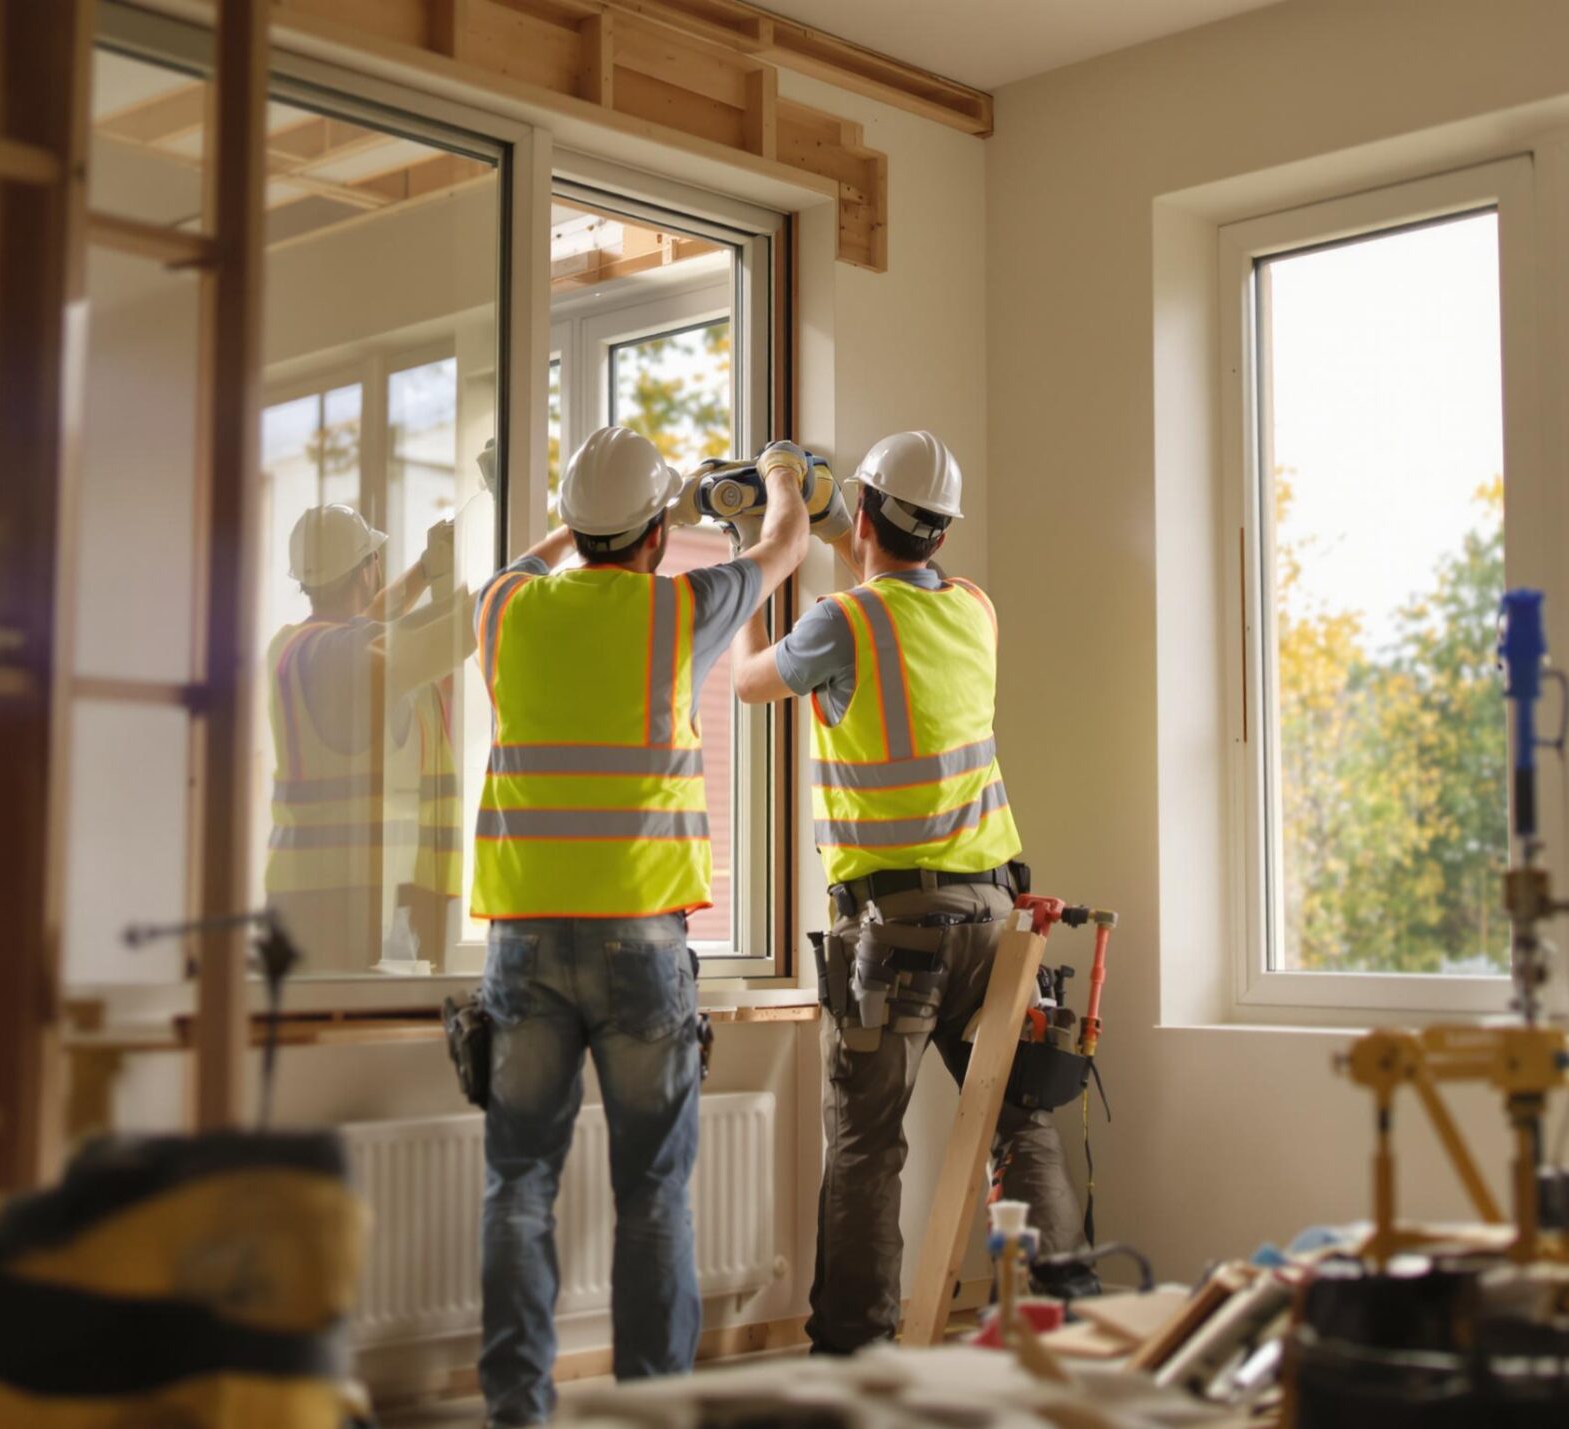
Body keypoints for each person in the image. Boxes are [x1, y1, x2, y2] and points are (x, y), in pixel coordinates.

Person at [471, 427, 812, 1424]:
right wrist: (783, 478)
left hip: (524, 936)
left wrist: (567, 524)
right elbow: (783, 549)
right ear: (659, 532)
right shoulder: (679, 609)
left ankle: (513, 1412)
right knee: (652, 1192)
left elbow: (520, 565)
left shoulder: (503, 609)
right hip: (641, 939)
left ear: (577, 530)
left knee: (518, 1184)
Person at [730, 429, 1089, 1355]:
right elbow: (889, 547)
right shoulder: (974, 607)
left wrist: (753, 544)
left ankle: (853, 1351)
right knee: (1021, 1120)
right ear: (942, 528)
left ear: (869, 515)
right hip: (995, 920)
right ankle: (1065, 1318)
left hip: (896, 934)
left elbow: (746, 682)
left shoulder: (843, 623)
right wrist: (824, 499)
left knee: (866, 1143)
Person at [265, 506, 463, 971]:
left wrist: (425, 569)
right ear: (367, 570)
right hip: (358, 898)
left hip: (297, 891)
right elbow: (446, 630)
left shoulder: (291, 645)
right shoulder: (358, 653)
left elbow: (365, 624)